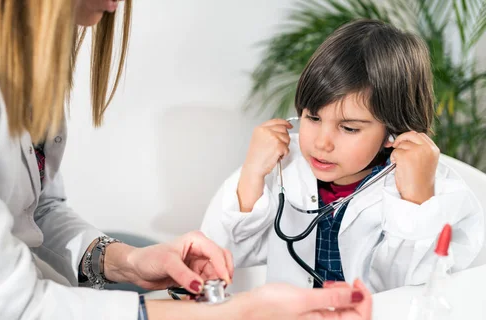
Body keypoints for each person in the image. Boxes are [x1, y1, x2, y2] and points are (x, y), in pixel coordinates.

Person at [0, 1, 372, 320]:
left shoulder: (22, 54)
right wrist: (239, 311)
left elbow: (36, 211)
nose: (118, 4)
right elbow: (13, 307)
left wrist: (126, 260)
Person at [201, 19, 484, 294]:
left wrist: (416, 200)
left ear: (394, 130)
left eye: (348, 128)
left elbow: (414, 291)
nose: (322, 143)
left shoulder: (439, 190)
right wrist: (252, 173)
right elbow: (221, 255)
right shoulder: (283, 164)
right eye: (312, 117)